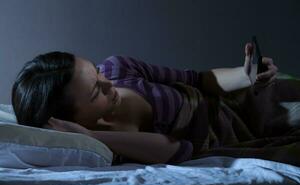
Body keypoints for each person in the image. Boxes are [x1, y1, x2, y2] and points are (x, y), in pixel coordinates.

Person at [11, 43, 279, 165]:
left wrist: (245, 75)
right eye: (95, 93)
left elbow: (200, 79)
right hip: (236, 136)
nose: (108, 84)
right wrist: (91, 136)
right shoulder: (101, 146)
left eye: (97, 71)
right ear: (71, 120)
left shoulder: (119, 68)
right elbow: (178, 150)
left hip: (242, 98)